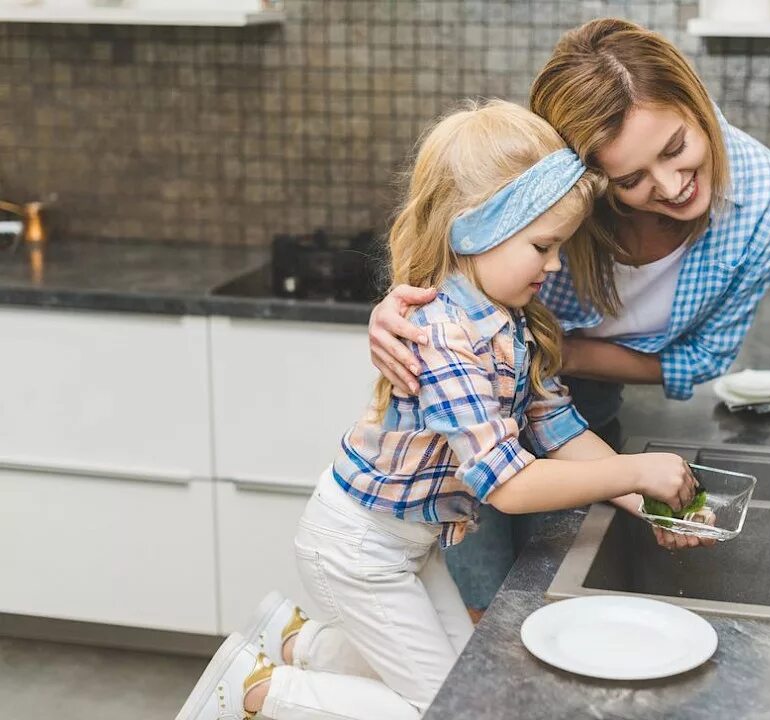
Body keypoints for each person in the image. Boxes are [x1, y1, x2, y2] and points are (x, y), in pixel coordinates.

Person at [175, 99, 701, 720]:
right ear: (478, 231)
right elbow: (506, 483)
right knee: (446, 710)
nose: (555, 263)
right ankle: (255, 694)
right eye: (543, 246)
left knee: (464, 689)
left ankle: (297, 642)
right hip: (357, 549)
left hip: (404, 547)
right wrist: (634, 473)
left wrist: (647, 505)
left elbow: (558, 430)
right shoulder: (443, 335)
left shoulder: (510, 320)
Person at [367, 18, 770, 606]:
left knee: (549, 601)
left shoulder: (764, 196)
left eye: (676, 149)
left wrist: (550, 357)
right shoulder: (549, 193)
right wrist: (404, 309)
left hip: (563, 400)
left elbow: (703, 359)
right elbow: (447, 242)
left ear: (694, 99)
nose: (671, 186)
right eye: (630, 179)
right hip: (472, 407)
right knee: (482, 611)